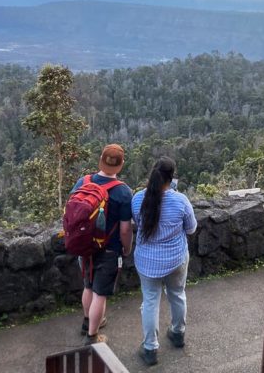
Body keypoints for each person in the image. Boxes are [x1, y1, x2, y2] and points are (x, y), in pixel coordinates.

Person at [131, 157, 197, 366]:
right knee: (177, 294)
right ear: (172, 177)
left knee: (150, 301)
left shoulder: (138, 199)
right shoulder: (181, 201)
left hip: (148, 262)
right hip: (176, 259)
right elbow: (191, 228)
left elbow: (137, 223)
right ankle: (178, 333)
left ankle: (150, 349)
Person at [71, 144, 133, 345]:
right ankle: (92, 336)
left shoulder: (83, 181)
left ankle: (86, 322)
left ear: (100, 159)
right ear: (121, 165)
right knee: (100, 293)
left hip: (84, 245)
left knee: (88, 286)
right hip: (108, 249)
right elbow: (125, 229)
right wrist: (127, 248)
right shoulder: (123, 192)